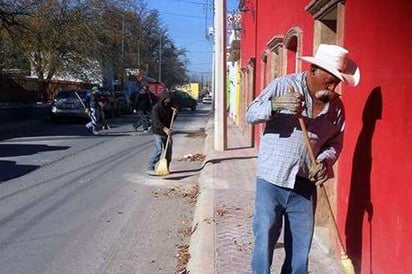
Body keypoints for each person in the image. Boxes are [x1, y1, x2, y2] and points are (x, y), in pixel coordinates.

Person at [246, 44, 360, 274]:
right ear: (313, 70)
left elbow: (334, 144)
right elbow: (251, 113)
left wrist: (325, 162)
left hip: (305, 186)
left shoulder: (337, 107)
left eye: (336, 82)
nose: (332, 86)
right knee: (264, 240)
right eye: (329, 80)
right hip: (272, 180)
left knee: (300, 251)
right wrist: (276, 105)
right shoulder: (284, 85)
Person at [147, 91, 179, 175]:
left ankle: (165, 168)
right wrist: (164, 129)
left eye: (169, 99)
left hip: (167, 132)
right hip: (158, 132)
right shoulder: (156, 108)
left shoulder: (170, 107)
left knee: (168, 151)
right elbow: (155, 121)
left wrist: (175, 113)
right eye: (167, 99)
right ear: (163, 99)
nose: (168, 101)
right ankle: (150, 167)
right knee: (158, 149)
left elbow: (172, 119)